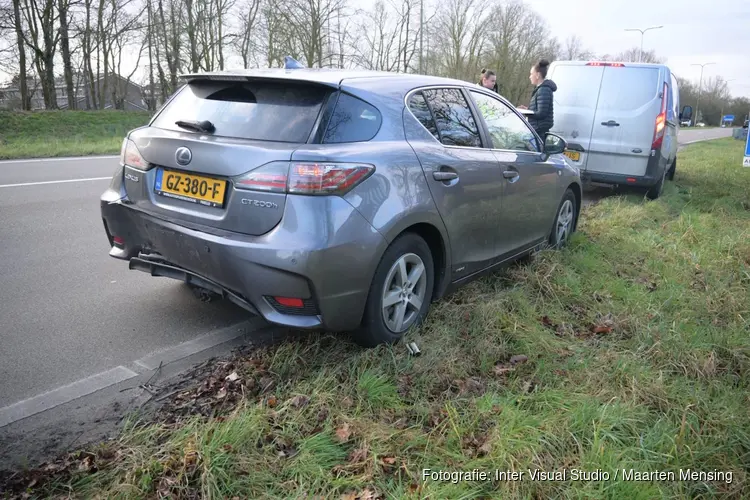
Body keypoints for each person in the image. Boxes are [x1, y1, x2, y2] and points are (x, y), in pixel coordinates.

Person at [517, 59, 557, 137]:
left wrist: (526, 113)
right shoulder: (541, 89)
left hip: (539, 131)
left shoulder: (543, 90)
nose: (530, 77)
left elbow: (541, 113)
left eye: (531, 74)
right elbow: (539, 109)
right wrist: (527, 109)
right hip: (538, 129)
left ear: (537, 75)